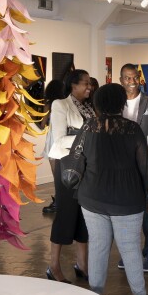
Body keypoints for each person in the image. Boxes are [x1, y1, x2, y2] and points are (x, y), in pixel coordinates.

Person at [76, 83, 148, 295]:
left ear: (98, 103)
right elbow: (145, 165)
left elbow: (78, 159)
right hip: (126, 200)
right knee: (130, 247)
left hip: (93, 198)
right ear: (121, 103)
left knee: (98, 246)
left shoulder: (88, 127)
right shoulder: (131, 129)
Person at [45, 69, 94, 283]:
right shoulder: (60, 105)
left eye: (90, 84)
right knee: (66, 215)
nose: (89, 88)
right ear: (73, 85)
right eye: (85, 84)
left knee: (84, 215)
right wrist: (85, 139)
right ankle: (53, 266)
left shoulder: (90, 106)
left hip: (86, 167)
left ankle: (82, 264)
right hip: (68, 167)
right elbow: (58, 140)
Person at [117, 63, 148, 273]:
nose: (132, 81)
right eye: (127, 78)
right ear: (121, 80)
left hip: (145, 162)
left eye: (135, 77)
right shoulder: (116, 103)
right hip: (122, 164)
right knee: (126, 210)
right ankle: (129, 253)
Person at [40, 79, 66, 215]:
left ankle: (59, 201)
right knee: (64, 172)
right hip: (63, 137)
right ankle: (63, 200)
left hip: (53, 138)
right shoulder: (66, 103)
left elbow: (43, 124)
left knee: (56, 173)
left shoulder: (50, 104)